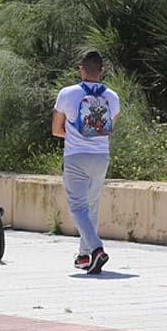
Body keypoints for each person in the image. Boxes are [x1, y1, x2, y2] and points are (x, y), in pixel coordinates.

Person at [52, 50, 120, 274]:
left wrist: (74, 135)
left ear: (81, 69)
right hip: (101, 157)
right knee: (92, 205)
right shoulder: (112, 97)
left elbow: (56, 129)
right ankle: (84, 256)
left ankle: (97, 249)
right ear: (102, 70)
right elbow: (107, 129)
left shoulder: (67, 94)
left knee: (78, 206)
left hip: (75, 156)